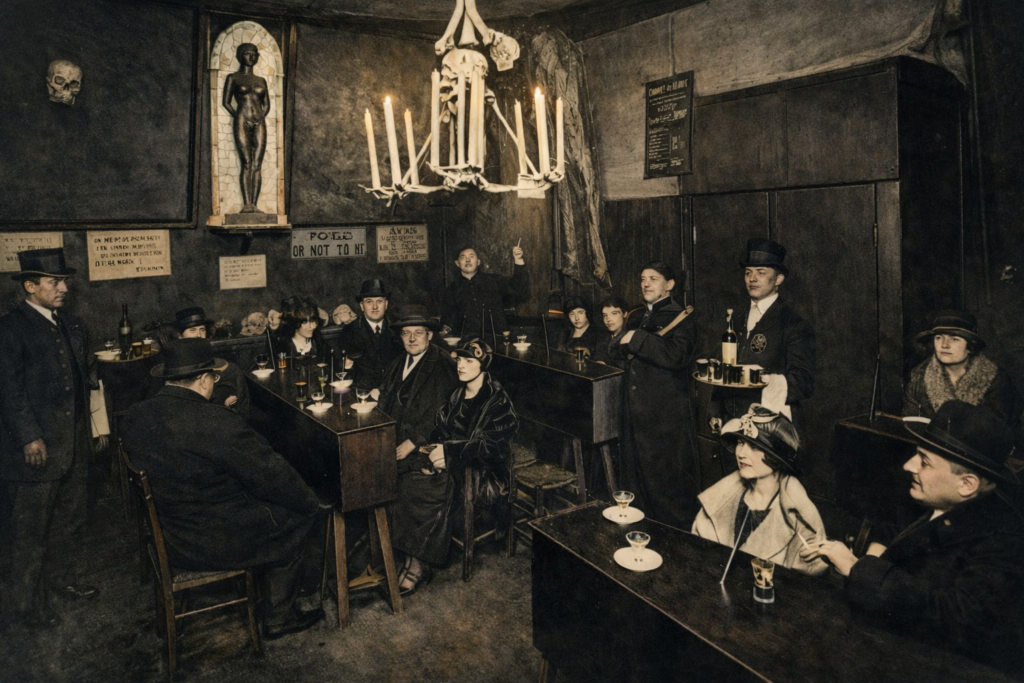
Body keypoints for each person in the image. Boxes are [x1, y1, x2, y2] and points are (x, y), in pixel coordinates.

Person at [120, 339, 327, 639]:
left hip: (169, 532)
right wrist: (311, 501)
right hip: (208, 541)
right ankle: (280, 616)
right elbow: (272, 474)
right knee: (298, 513)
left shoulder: (137, 415)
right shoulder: (216, 422)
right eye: (213, 379)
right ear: (205, 380)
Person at [802, 401, 1024, 675]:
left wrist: (858, 567)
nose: (909, 465)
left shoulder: (1003, 542)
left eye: (924, 461)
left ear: (967, 485)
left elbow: (955, 619)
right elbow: (893, 529)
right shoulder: (939, 499)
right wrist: (872, 558)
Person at [0, 248, 99, 629]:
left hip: (71, 441)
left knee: (68, 519)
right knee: (30, 532)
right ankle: (26, 608)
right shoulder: (10, 329)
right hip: (35, 449)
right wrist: (29, 437)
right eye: (55, 282)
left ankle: (62, 581)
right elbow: (7, 391)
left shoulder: (70, 324)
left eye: (65, 281)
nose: (64, 288)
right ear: (30, 286)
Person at [407, 339, 520, 595]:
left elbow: (493, 448)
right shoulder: (458, 394)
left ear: (484, 365)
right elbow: (439, 429)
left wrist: (449, 453)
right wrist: (432, 453)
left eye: (469, 361)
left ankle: (418, 562)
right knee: (409, 478)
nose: (461, 366)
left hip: (482, 475)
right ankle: (409, 556)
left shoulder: (497, 400)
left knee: (424, 491)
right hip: (452, 465)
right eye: (459, 360)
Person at [608, 262, 701, 528]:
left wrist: (637, 339)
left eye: (654, 279)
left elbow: (676, 356)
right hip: (633, 412)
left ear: (670, 285)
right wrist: (628, 339)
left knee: (665, 484)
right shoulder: (637, 315)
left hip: (664, 416)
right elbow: (615, 350)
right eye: (643, 279)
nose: (646, 284)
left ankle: (672, 541)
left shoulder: (683, 317)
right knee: (635, 479)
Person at [378, 311, 460, 596]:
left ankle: (417, 563)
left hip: (431, 444)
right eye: (406, 333)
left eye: (418, 333)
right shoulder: (400, 361)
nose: (412, 339)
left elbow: (446, 411)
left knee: (416, 485)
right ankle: (389, 555)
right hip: (395, 439)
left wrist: (414, 441)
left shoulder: (443, 364)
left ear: (430, 334)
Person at [692, 405, 827, 575]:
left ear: (776, 458)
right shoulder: (716, 502)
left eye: (755, 447)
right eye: (741, 443)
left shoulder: (800, 517)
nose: (741, 454)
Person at [709, 238, 815, 432]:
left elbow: (804, 382)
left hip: (769, 427)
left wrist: (764, 379)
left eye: (761, 272)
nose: (752, 279)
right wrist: (715, 411)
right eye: (748, 272)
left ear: (779, 279)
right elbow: (721, 369)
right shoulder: (735, 319)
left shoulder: (794, 324)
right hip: (730, 423)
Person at [903, 310, 1017, 423]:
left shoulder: (995, 379)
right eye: (939, 338)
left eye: (954, 339)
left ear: (970, 346)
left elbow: (997, 431)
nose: (944, 345)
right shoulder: (919, 377)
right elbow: (911, 424)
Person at [169, 306, 249, 415]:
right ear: (179, 336)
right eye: (192, 330)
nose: (199, 335)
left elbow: (242, 408)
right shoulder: (172, 369)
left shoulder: (230, 370)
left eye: (202, 329)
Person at [440, 245, 530, 339]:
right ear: (457, 263)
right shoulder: (451, 289)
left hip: (496, 340)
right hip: (466, 344)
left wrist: (518, 260)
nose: (468, 260)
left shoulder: (494, 281)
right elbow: (447, 319)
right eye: (463, 257)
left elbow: (519, 289)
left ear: (478, 262)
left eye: (471, 256)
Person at [222, 43, 270, 214]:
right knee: (246, 162)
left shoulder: (261, 81)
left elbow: (266, 105)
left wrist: (259, 117)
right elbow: (226, 102)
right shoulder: (233, 78)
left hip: (259, 121)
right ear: (240, 56)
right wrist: (238, 116)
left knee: (257, 163)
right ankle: (247, 204)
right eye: (247, 53)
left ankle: (255, 205)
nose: (251, 57)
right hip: (242, 119)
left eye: (254, 54)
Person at [335, 280, 400, 397]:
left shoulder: (398, 329)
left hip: (393, 393)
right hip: (362, 395)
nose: (375, 307)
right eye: (369, 302)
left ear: (386, 304)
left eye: (379, 301)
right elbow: (343, 372)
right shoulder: (349, 331)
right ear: (361, 306)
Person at [592, 296, 630, 367]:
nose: (608, 319)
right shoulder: (603, 337)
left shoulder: (629, 337)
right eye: (605, 315)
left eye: (614, 313)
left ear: (625, 314)